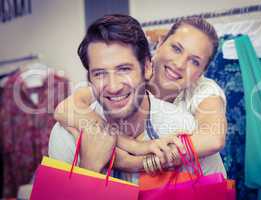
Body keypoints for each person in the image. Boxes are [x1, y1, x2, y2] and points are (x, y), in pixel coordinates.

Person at [49, 14, 226, 183]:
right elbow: (68, 107)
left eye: (124, 69)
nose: (179, 64)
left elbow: (213, 138)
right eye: (176, 48)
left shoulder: (186, 123)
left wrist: (134, 162)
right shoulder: (68, 135)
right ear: (160, 43)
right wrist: (90, 167)